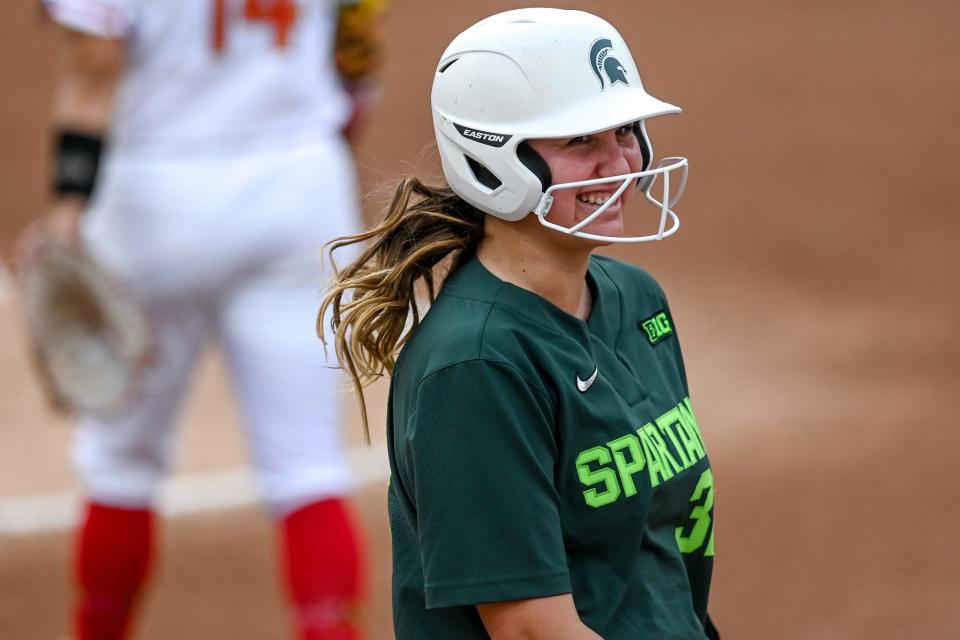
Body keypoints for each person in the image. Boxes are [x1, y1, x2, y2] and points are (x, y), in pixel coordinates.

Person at [320, 8, 720, 640]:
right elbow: (533, 631)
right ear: (492, 159)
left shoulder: (635, 299)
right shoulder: (476, 368)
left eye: (626, 131)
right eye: (581, 141)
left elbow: (659, 563)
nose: (620, 164)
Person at [19, 0, 386, 638]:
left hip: (151, 206)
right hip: (299, 188)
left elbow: (91, 74)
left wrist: (65, 211)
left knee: (120, 463)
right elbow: (357, 59)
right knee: (307, 467)